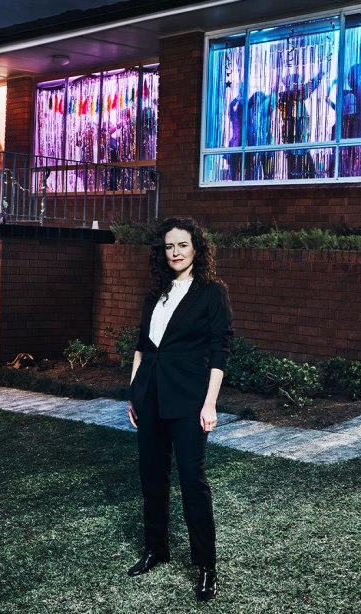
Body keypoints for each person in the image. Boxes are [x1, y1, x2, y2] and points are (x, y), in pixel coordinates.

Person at [126, 217, 233, 603]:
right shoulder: (155, 292)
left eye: (183, 246)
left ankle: (206, 566)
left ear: (196, 249)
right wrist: (134, 393)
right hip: (150, 397)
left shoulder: (211, 292)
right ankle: (156, 549)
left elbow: (219, 352)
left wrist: (210, 403)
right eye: (169, 247)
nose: (176, 253)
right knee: (152, 478)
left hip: (188, 400)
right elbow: (142, 346)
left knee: (192, 481)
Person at [276, 65, 326, 179]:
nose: (299, 86)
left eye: (299, 83)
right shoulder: (287, 98)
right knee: (297, 168)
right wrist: (319, 75)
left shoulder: (295, 97)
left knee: (304, 167)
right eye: (296, 83)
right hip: (294, 139)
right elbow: (308, 88)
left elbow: (308, 88)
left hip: (299, 140)